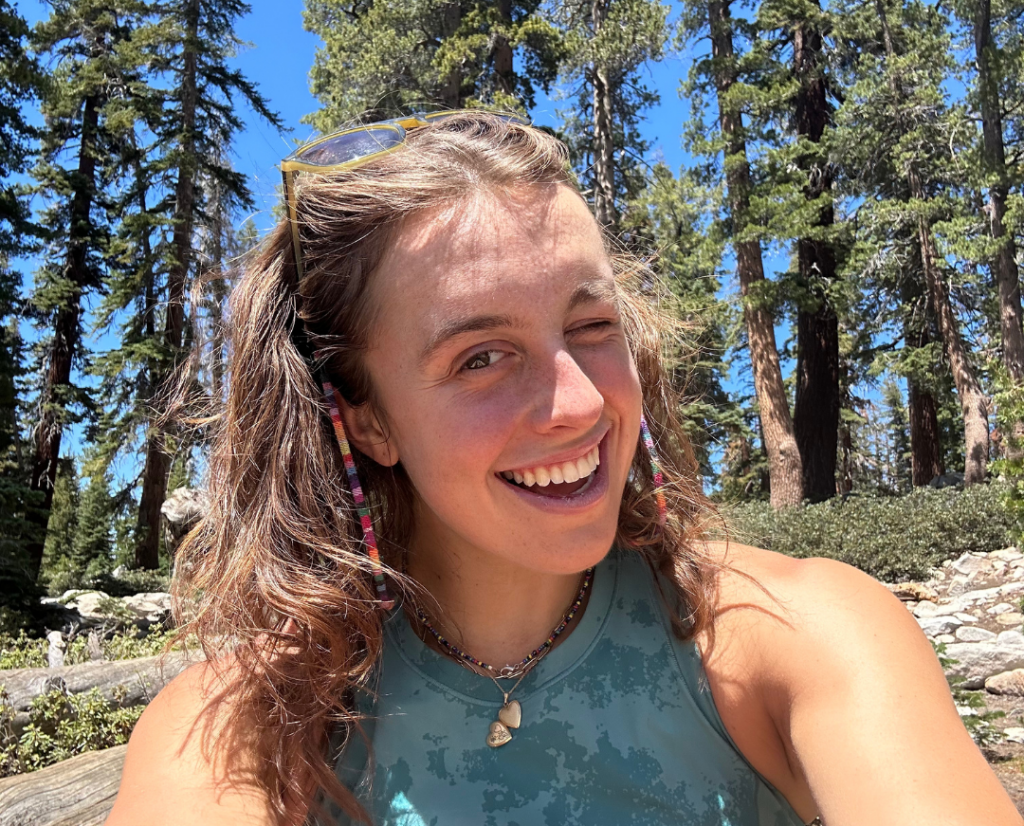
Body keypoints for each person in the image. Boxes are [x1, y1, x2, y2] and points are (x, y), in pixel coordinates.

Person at [106, 112, 1020, 826]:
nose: (582, 403)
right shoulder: (243, 727)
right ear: (369, 419)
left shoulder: (793, 636)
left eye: (591, 327)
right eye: (480, 358)